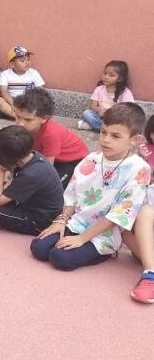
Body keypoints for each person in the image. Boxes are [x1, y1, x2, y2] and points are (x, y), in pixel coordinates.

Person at [31, 103, 150, 272]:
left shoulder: (139, 169)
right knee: (39, 248)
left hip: (103, 235)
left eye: (115, 136)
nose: (106, 139)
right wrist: (61, 221)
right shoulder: (91, 159)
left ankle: (107, 253)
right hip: (76, 223)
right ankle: (69, 238)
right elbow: (71, 194)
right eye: (103, 132)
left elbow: (120, 214)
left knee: (60, 258)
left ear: (134, 140)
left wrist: (82, 239)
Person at [0, 125, 63, 235]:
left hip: (38, 220)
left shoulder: (31, 174)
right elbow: (12, 182)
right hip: (27, 201)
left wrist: (0, 170)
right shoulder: (30, 156)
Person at [12, 88, 88, 188]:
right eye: (18, 116)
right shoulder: (27, 128)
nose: (21, 124)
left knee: (52, 187)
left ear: (44, 118)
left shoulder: (50, 134)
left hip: (73, 161)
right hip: (48, 156)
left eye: (28, 119)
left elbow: (47, 167)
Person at [121, 115, 154, 304]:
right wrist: (140, 159)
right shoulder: (145, 152)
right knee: (124, 231)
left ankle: (150, 274)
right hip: (143, 229)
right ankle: (151, 273)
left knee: (146, 211)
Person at [78, 60, 135, 132]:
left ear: (120, 79)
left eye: (111, 75)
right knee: (87, 113)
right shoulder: (99, 89)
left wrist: (111, 113)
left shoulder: (125, 92)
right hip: (101, 118)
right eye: (105, 74)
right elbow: (92, 106)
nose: (106, 77)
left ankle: (98, 127)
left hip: (115, 119)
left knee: (126, 121)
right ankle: (107, 130)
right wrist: (99, 110)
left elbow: (129, 109)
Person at [0, 46, 45, 119]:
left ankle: (12, 115)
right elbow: (4, 92)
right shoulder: (5, 74)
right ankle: (18, 117)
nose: (27, 62)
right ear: (12, 64)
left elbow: (41, 90)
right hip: (11, 100)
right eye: (22, 61)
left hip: (27, 101)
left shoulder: (34, 73)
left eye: (28, 59)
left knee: (38, 103)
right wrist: (13, 104)